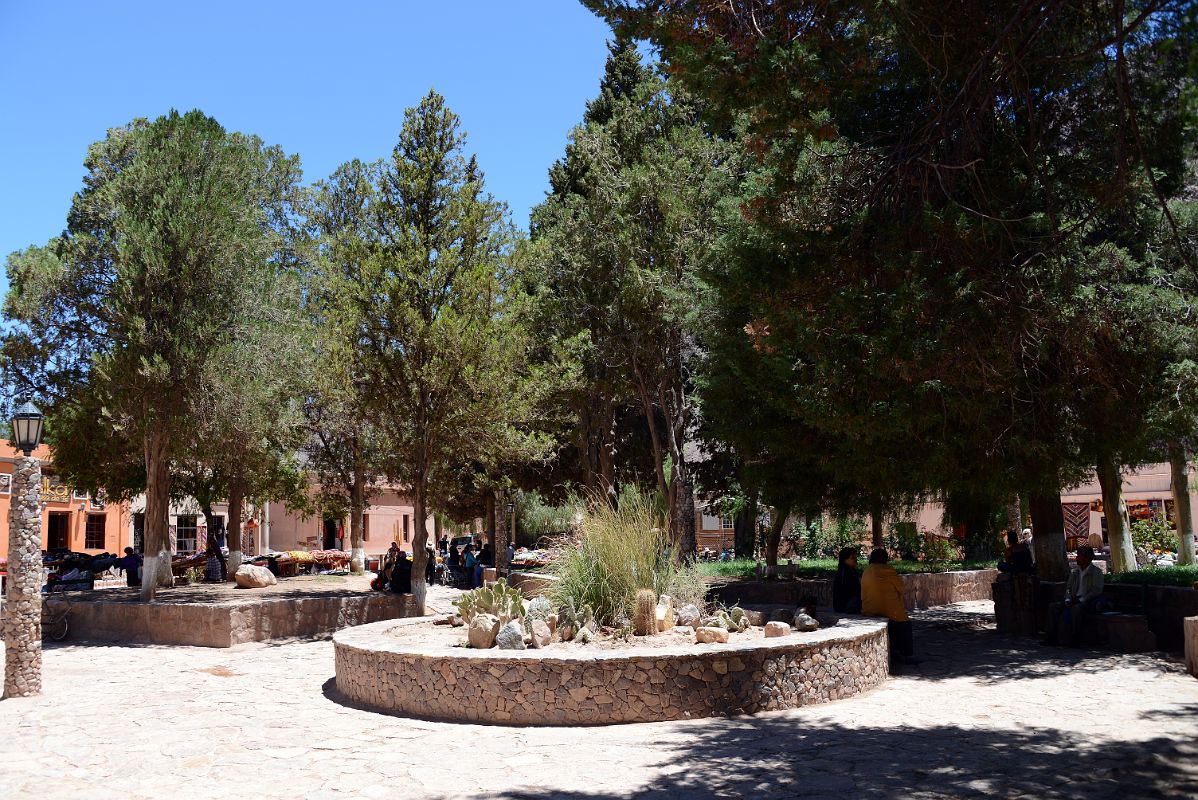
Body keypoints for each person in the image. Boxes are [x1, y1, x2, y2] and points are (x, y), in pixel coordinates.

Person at [1042, 546, 1104, 647]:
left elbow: (1096, 590)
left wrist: (1082, 600)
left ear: (1087, 558)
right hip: (1073, 599)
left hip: (1087, 601)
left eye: (1080, 556)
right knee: (1053, 607)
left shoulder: (1096, 572)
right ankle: (1051, 637)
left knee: (1076, 609)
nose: (1077, 558)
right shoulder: (1074, 572)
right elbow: (1068, 588)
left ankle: (1075, 638)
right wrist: (1067, 598)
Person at [861, 548, 915, 665]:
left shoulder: (866, 571)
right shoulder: (888, 570)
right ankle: (906, 655)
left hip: (869, 609)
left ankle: (894, 650)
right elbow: (901, 588)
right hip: (889, 609)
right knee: (904, 622)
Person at [832, 547, 862, 613]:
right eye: (852, 558)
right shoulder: (844, 572)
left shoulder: (852, 571)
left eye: (855, 557)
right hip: (844, 607)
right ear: (844, 560)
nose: (856, 560)